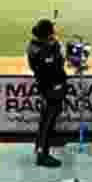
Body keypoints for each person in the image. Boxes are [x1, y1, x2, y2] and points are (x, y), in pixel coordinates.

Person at [27, 19, 67, 168]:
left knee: (48, 120)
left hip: (50, 88)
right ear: (46, 35)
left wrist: (53, 47)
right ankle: (42, 154)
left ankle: (42, 146)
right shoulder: (41, 51)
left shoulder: (37, 46)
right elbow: (56, 65)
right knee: (46, 122)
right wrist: (55, 48)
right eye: (51, 32)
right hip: (50, 89)